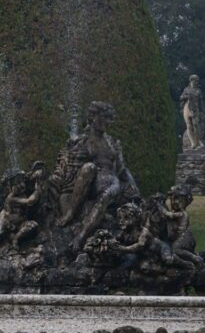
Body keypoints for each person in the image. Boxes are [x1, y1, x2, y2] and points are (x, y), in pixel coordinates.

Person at [54, 101, 140, 251]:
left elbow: (121, 170)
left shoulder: (112, 142)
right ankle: (70, 213)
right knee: (89, 167)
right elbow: (70, 166)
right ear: (93, 117)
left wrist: (133, 187)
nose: (109, 122)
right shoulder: (82, 140)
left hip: (112, 182)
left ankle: (81, 236)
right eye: (105, 117)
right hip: (92, 183)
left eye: (110, 119)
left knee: (108, 193)